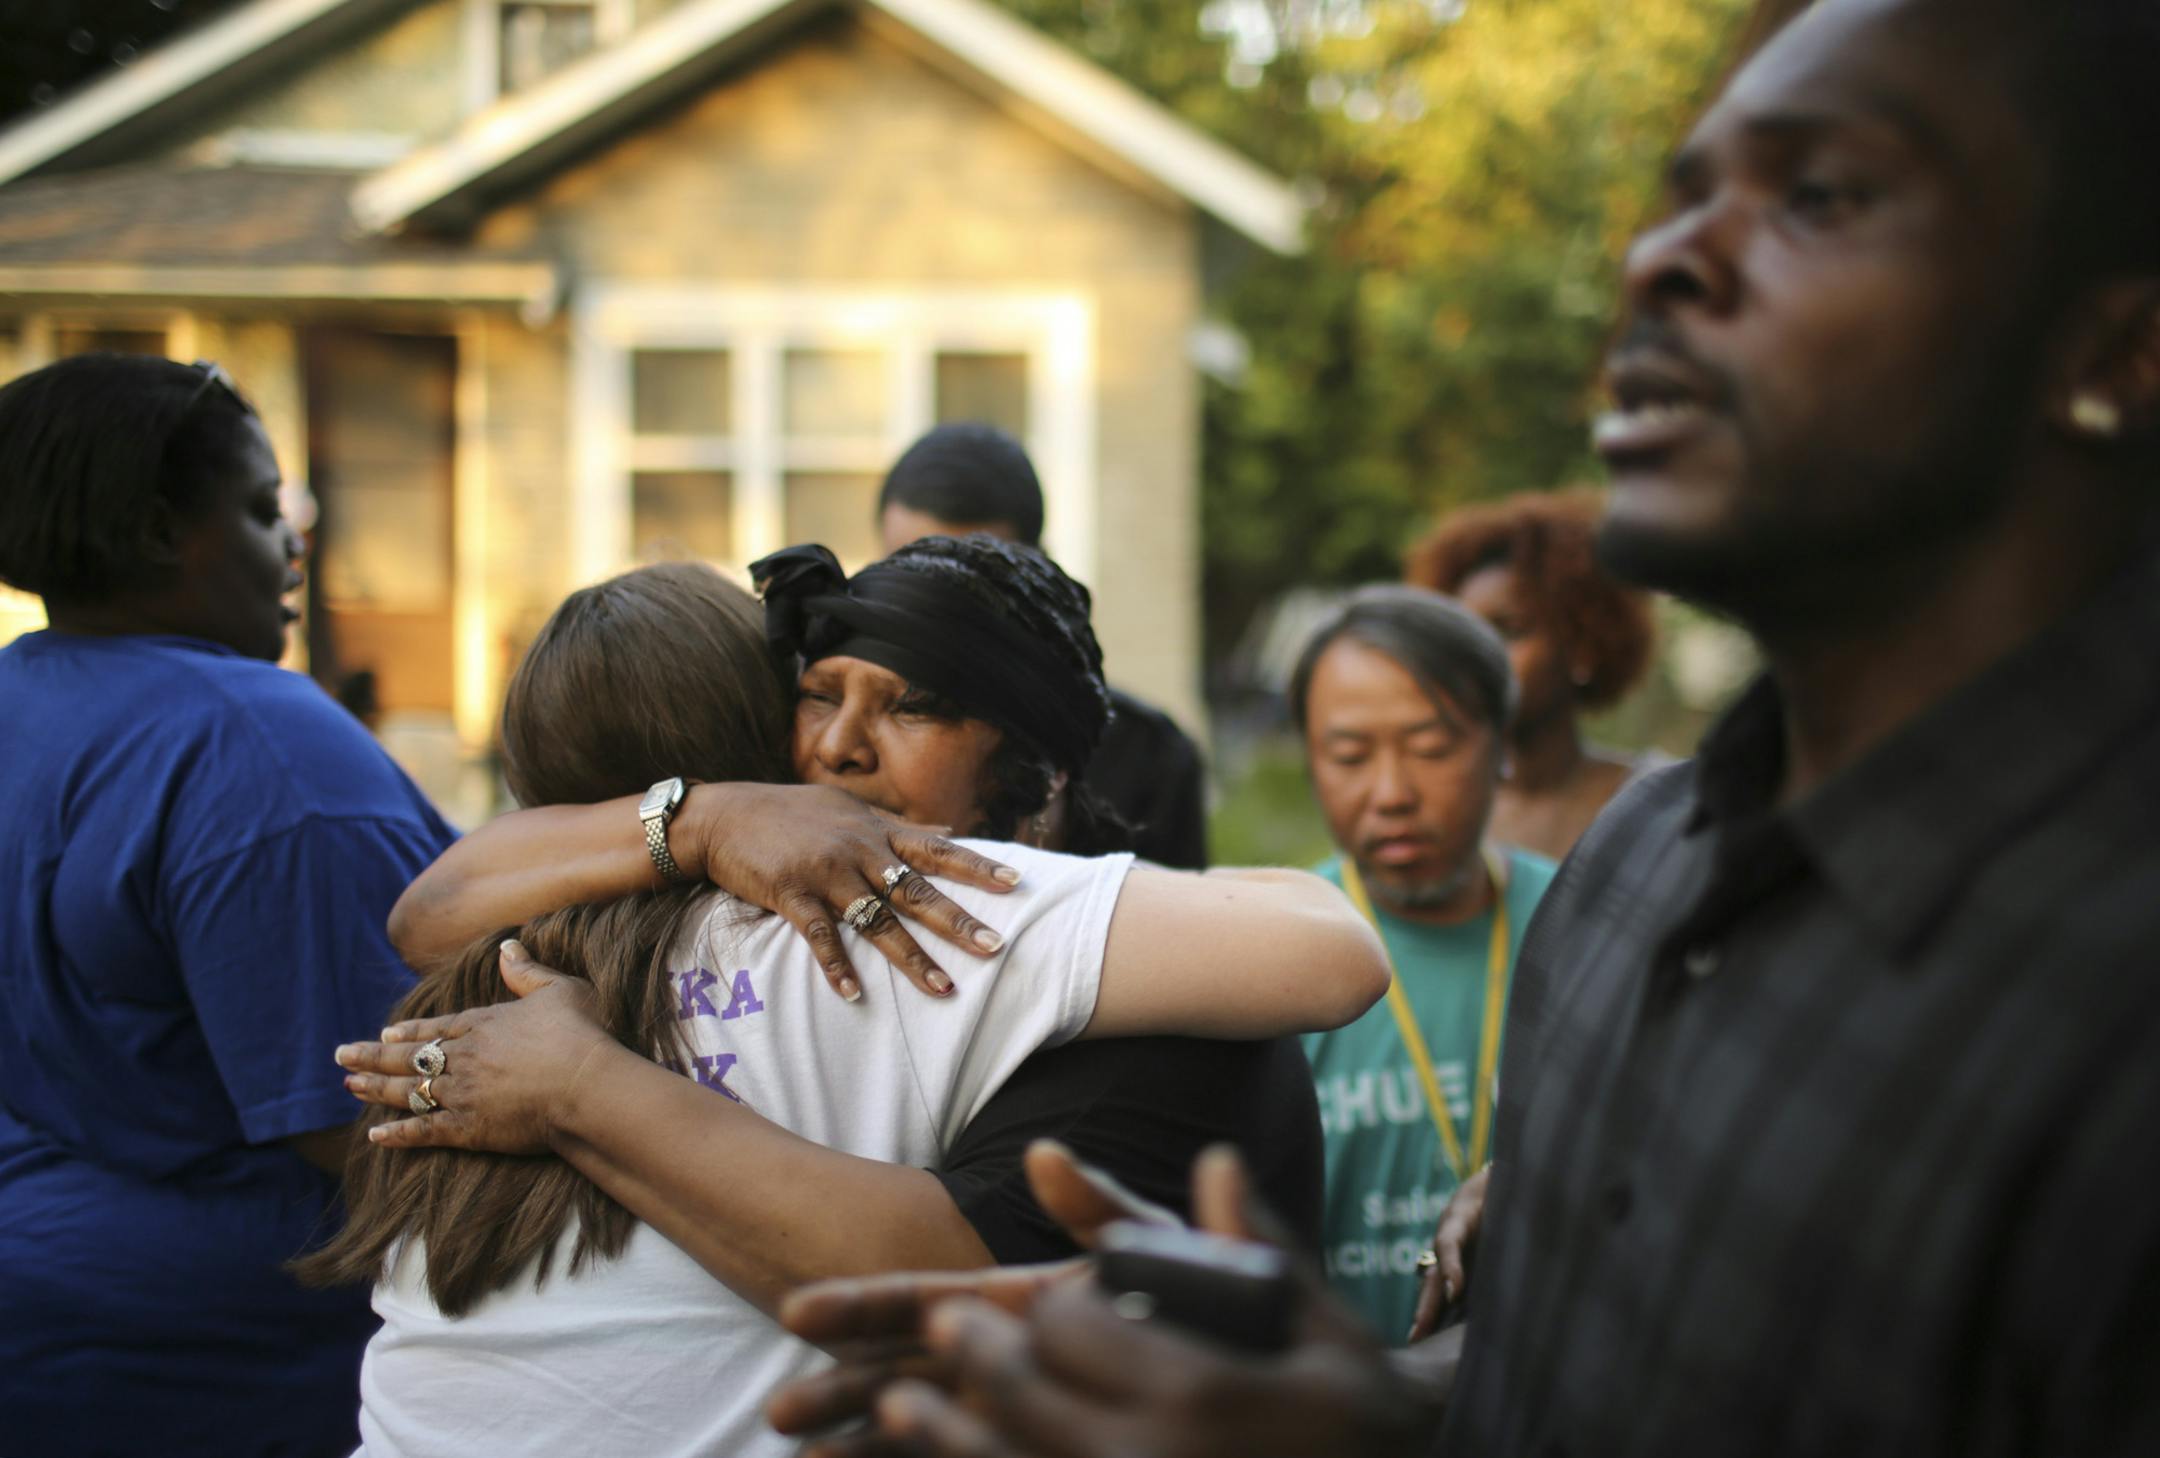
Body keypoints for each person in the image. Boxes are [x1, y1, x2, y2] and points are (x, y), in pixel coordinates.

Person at [761, 0, 2160, 1453]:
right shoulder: (1640, 875)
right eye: (1683, 196)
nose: (1664, 261)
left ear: (2123, 347)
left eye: (1819, 196)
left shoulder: (2113, 1008)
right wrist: (1367, 1404)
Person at [322, 557, 1384, 1456]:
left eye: (913, 703)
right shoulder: (884, 915)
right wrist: (713, 820)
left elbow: (426, 909)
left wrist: (585, 1081)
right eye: (819, 696)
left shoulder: (479, 973)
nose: (839, 749)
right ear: (761, 730)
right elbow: (1327, 947)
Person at [0, 354, 458, 1456]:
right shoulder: (256, 745)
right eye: (260, 511)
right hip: (229, 1353)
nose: (294, 542)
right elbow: (374, 1124)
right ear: (161, 531)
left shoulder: (23, 695)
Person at [1289, 586, 1557, 1340]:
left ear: (1503, 747)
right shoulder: (1274, 957)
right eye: (1348, 755)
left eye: (1433, 749)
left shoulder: (1586, 923)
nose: (1392, 793)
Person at [877, 422, 1211, 869]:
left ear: (1039, 569)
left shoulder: (1147, 757)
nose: (940, 615)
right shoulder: (824, 735)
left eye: (973, 583)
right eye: (911, 576)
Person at [1404, 490, 1663, 861]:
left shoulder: (1665, 806)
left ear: (1582, 645)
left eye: (1509, 630)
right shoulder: (1425, 813)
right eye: (1462, 633)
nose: (1475, 656)